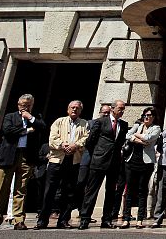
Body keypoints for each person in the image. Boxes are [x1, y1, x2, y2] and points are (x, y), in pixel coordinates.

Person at [0, 94, 46, 230]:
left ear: (31, 106)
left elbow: (42, 127)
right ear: (18, 105)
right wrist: (27, 130)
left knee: (21, 189)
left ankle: (18, 219)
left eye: (27, 105)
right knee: (1, 188)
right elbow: (8, 131)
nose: (24, 108)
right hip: (8, 156)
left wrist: (30, 118)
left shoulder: (35, 117)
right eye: (22, 105)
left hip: (26, 156)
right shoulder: (10, 116)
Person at [36, 100, 88, 229]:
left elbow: (86, 138)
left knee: (69, 192)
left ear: (81, 110)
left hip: (73, 160)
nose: (74, 110)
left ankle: (64, 220)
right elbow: (52, 138)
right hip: (56, 160)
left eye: (77, 108)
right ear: (67, 109)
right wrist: (63, 145)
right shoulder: (59, 122)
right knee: (49, 191)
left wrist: (76, 145)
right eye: (72, 107)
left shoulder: (84, 124)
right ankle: (42, 220)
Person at [78, 99, 129, 230]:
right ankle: (85, 218)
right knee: (92, 191)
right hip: (99, 161)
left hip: (114, 162)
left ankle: (106, 219)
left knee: (111, 192)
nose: (122, 111)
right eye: (120, 108)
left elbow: (121, 142)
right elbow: (90, 141)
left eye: (123, 109)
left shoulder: (123, 125)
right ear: (113, 108)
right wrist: (97, 154)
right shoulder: (101, 122)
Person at [121, 107, 160, 228]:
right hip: (132, 161)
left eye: (149, 115)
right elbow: (127, 135)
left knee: (142, 190)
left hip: (146, 163)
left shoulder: (156, 128)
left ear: (153, 117)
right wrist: (139, 140)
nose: (147, 117)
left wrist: (136, 136)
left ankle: (140, 219)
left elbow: (149, 138)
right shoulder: (137, 125)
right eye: (145, 115)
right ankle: (126, 218)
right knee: (129, 190)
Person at [75, 103, 110, 214]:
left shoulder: (109, 126)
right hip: (87, 157)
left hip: (99, 159)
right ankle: (75, 205)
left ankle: (84, 211)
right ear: (99, 112)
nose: (105, 114)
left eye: (108, 113)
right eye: (104, 112)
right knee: (80, 182)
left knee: (92, 186)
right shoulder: (90, 123)